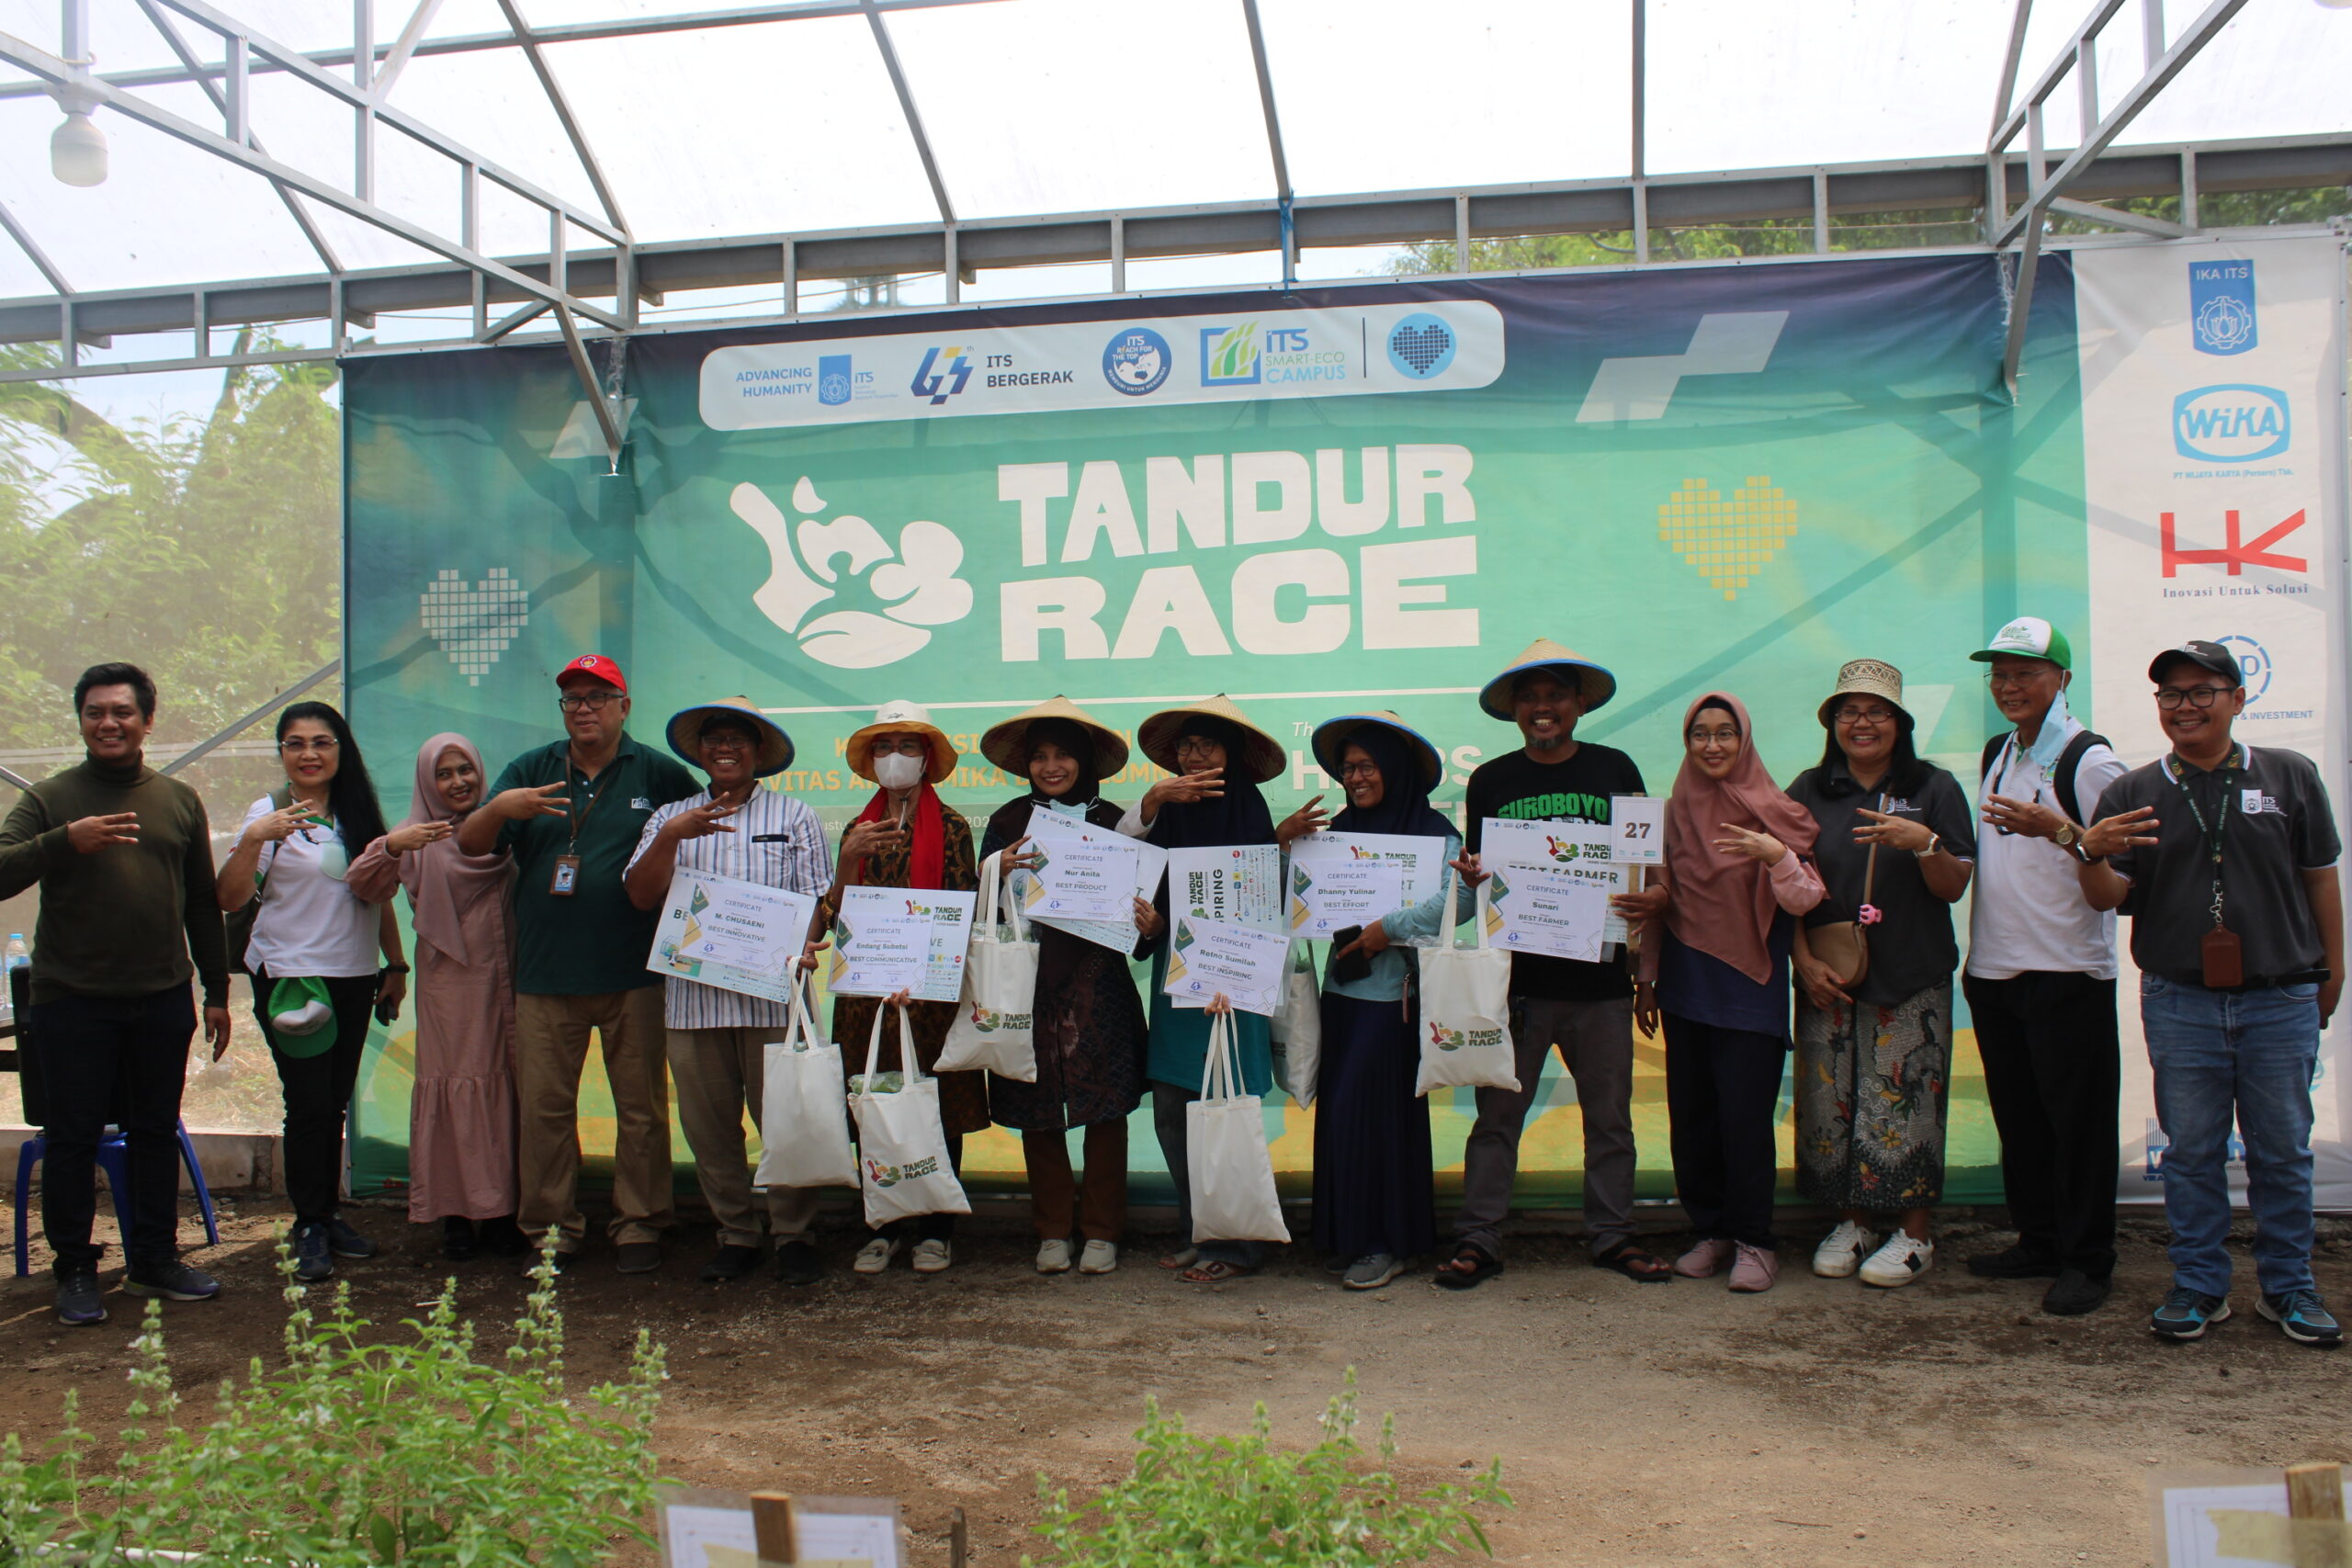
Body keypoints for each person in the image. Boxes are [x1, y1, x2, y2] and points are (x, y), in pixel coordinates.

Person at [2076, 640, 2345, 1347]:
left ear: (2237, 697)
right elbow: (2109, 897)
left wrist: (2332, 968)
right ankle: (2199, 1283)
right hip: (2181, 998)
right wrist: (2089, 849)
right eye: (2171, 695)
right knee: (2191, 1149)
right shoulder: (2132, 792)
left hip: (2280, 995)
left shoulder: (2289, 776)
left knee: (2282, 1149)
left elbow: (2321, 876)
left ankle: (2290, 1287)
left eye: (2201, 691)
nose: (2185, 706)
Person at [0, 663, 231, 1324]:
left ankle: (153, 1261)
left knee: (154, 1131)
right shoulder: (51, 798)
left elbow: (201, 903)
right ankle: (73, 1267)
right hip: (71, 999)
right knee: (71, 1138)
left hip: (161, 997)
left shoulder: (179, 800)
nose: (109, 722)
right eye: (95, 712)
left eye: (122, 712)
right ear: (81, 720)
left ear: (147, 720)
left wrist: (215, 989)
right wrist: (62, 842)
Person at [1439, 639, 1671, 1290]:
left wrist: (1646, 970)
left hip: (1601, 983)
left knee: (1610, 1118)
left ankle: (1614, 1235)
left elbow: (1648, 875)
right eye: (1530, 697)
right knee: (1496, 1121)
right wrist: (1476, 877)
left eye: (1555, 696)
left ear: (1578, 704)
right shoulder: (1491, 781)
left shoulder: (1615, 769)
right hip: (1517, 987)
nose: (1543, 708)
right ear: (1515, 709)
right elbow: (1485, 880)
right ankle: (1479, 1238)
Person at [458, 654, 698, 1275]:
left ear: (625, 705)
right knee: (544, 1109)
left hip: (636, 972)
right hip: (544, 973)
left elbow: (702, 849)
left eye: (598, 695)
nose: (584, 707)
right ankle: (549, 1226)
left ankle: (640, 1221)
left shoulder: (660, 774)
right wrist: (497, 808)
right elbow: (471, 845)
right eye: (572, 698)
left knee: (641, 1108)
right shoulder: (531, 771)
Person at [624, 697, 831, 1286]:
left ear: (759, 751)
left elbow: (818, 898)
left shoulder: (794, 816)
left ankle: (794, 1234)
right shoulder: (671, 816)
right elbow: (640, 896)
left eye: (739, 738)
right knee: (710, 1129)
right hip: (693, 1003)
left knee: (785, 1121)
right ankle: (736, 1234)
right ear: (699, 751)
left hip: (774, 998)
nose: (726, 748)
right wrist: (672, 836)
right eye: (714, 738)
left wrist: (807, 946)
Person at [1120, 694, 1322, 1285]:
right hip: (1176, 981)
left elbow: (1262, 900)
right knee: (1170, 1113)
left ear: (1231, 754)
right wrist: (1154, 927)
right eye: (1185, 745)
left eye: (1206, 743)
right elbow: (1133, 868)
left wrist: (1276, 844)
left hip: (1231, 986)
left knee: (1226, 1113)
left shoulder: (1250, 805)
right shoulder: (1168, 810)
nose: (1192, 754)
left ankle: (1239, 1244)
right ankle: (1197, 1228)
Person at [1787, 660, 1976, 1288]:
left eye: (1877, 711)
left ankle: (1915, 1232)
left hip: (1910, 967)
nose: (1862, 722)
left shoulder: (1934, 788)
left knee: (1907, 1099)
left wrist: (1922, 842)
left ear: (1900, 722)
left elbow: (1953, 886)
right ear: (1831, 722)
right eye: (1849, 711)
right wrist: (1801, 959)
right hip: (1829, 972)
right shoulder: (1810, 790)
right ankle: (1855, 1220)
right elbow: (1784, 883)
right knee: (1833, 1100)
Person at [1964, 615, 2129, 1315]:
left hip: (2066, 971)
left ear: (2062, 678)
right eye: (1999, 674)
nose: (2009, 686)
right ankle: (2037, 1238)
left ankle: (2087, 1259)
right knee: (2022, 1119)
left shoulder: (2090, 760)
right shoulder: (1997, 751)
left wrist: (2057, 829)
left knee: (2078, 1126)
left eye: (2025, 673)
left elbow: (2119, 875)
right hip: (1996, 968)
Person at [1637, 693, 1823, 1294]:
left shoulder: (1779, 811)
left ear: (1745, 740)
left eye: (1725, 733)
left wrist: (1776, 854)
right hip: (1686, 984)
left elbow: (1805, 901)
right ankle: (1711, 1230)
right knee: (1693, 1119)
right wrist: (1646, 979)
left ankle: (1755, 1240)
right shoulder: (1672, 813)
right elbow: (1659, 900)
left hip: (1751, 985)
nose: (1712, 745)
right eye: (1700, 734)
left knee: (1744, 1120)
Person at [216, 701, 405, 1283]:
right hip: (292, 975)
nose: (309, 754)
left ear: (340, 750)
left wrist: (394, 963)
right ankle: (308, 1225)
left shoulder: (358, 813)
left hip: (352, 974)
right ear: (282, 754)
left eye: (321, 742)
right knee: (308, 1103)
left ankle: (325, 1214)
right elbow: (227, 897)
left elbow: (379, 890)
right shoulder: (268, 813)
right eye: (295, 743)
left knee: (335, 1100)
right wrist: (254, 839)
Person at [978, 697, 1157, 1277]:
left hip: (1098, 984)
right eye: (1039, 757)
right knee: (1038, 1108)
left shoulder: (1116, 821)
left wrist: (1148, 925)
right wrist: (996, 870)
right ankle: (1052, 1229)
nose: (1051, 767)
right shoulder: (1007, 821)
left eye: (1062, 756)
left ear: (1084, 760)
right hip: (1028, 983)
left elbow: (1145, 907)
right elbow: (978, 906)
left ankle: (1103, 1230)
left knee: (1106, 1110)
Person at [1303, 712, 1468, 1292]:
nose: (1355, 778)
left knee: (1381, 1118)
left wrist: (1385, 929)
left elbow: (1461, 898)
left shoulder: (1433, 833)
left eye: (1367, 765)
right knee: (1344, 1114)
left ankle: (1386, 1241)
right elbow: (1295, 896)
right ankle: (1350, 1236)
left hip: (1395, 999)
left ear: (1393, 769)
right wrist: (1285, 847)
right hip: (1343, 992)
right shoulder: (1335, 833)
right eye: (1348, 768)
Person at [822, 699, 984, 1276]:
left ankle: (938, 1228)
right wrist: (847, 862)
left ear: (928, 760)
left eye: (908, 747)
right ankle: (882, 1225)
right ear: (871, 761)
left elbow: (962, 913)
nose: (895, 758)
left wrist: (925, 972)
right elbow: (834, 918)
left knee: (938, 1106)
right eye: (884, 748)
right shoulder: (855, 830)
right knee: (874, 1104)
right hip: (866, 1002)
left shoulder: (956, 829)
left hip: (930, 1000)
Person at [348, 734, 525, 1261]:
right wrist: (390, 847)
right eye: (444, 774)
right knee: (456, 1089)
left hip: (512, 976)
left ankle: (501, 1213)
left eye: (465, 770)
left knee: (509, 1089)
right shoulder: (412, 836)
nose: (457, 783)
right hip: (451, 984)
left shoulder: (503, 825)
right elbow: (363, 886)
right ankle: (454, 1213)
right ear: (428, 781)